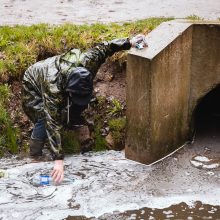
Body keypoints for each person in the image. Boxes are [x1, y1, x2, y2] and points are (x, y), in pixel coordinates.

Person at [22, 35, 147, 184]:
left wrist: (128, 43)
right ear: (68, 90)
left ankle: (71, 122)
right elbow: (52, 122)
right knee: (43, 118)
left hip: (65, 80)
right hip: (33, 83)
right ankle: (34, 155)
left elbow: (105, 47)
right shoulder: (53, 87)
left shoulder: (89, 61)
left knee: (74, 107)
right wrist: (58, 160)